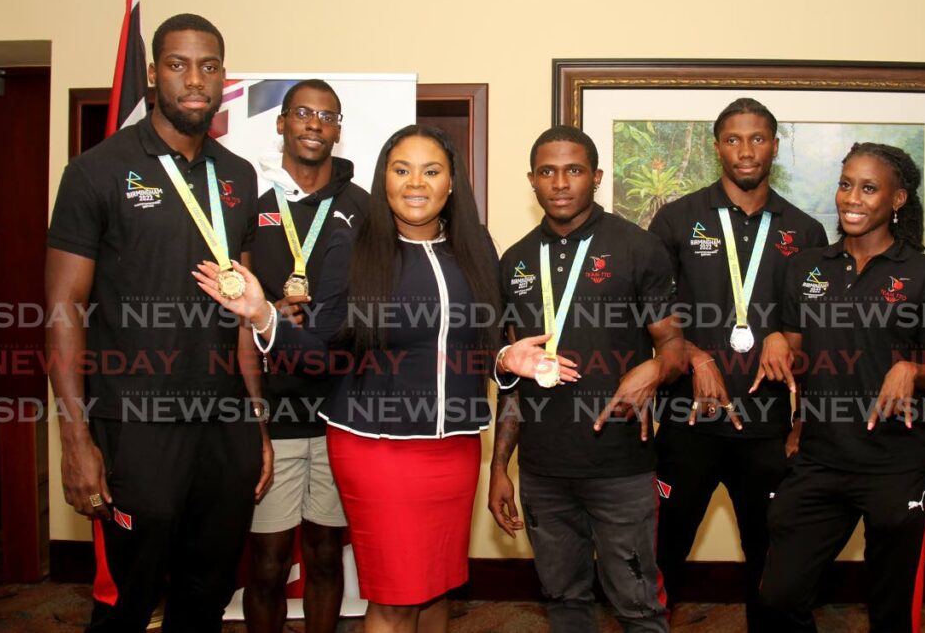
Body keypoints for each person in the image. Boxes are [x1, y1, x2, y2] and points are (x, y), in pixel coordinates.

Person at [194, 123, 562, 633]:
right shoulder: (355, 248)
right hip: (376, 448)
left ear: (452, 182)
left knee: (436, 589)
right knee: (394, 599)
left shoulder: (475, 247)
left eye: (431, 171)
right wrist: (262, 316)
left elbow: (473, 347)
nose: (416, 183)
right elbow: (319, 355)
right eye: (401, 169)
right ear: (383, 180)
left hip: (455, 448)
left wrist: (503, 360)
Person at [46, 13, 271, 632]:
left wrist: (256, 421)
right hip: (135, 421)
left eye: (208, 65)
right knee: (129, 596)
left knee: (210, 590)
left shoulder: (239, 176)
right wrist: (74, 440)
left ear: (224, 77)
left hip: (223, 423)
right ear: (153, 75)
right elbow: (63, 309)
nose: (193, 80)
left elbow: (245, 311)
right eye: (178, 65)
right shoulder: (97, 170)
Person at [489, 125, 683, 633]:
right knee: (563, 600)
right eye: (547, 171)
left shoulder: (638, 247)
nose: (560, 182)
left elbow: (675, 347)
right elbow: (510, 374)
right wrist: (498, 467)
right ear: (531, 179)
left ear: (595, 177)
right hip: (542, 470)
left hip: (620, 467)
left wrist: (655, 369)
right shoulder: (514, 262)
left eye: (573, 170)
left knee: (639, 605)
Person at [756, 143, 925, 632]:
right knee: (778, 597)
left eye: (869, 188)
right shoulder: (806, 267)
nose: (852, 197)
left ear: (898, 199)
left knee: (891, 611)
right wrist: (777, 339)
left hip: (898, 463)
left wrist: (912, 370)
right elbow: (802, 357)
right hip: (821, 459)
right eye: (846, 184)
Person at [647, 98, 827, 630]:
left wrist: (782, 341)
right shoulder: (678, 218)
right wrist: (696, 354)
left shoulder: (805, 231)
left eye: (757, 139)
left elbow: (813, 335)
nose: (745, 151)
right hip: (688, 420)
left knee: (773, 558)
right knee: (662, 550)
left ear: (775, 143)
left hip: (767, 426)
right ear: (716, 146)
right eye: (733, 139)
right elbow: (651, 311)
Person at [242, 79, 368, 633]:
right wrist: (267, 310)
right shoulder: (252, 201)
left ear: (338, 130)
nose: (315, 123)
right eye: (303, 113)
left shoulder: (362, 207)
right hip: (275, 410)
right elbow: (225, 293)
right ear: (281, 123)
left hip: (341, 409)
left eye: (327, 115)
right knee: (267, 564)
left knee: (323, 554)